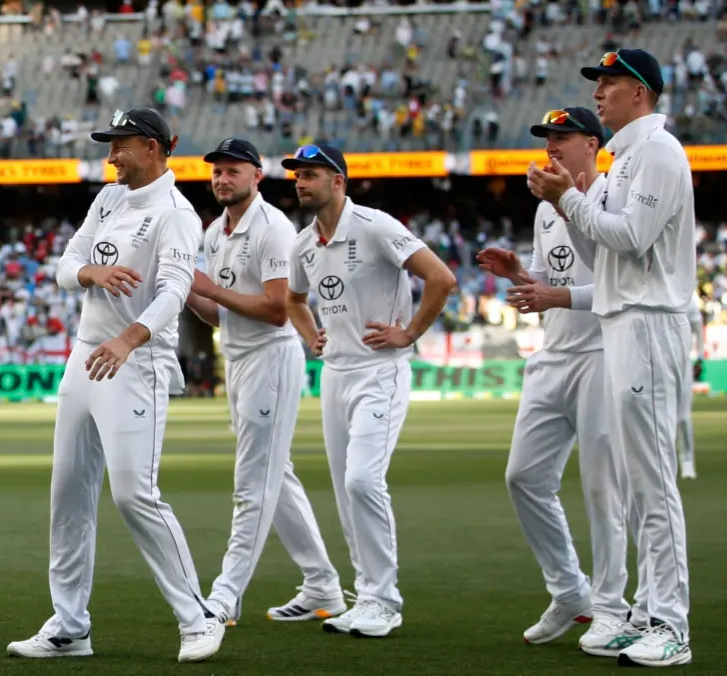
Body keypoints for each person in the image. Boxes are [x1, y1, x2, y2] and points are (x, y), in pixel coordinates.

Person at [5, 109, 224, 663]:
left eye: (119, 146)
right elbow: (66, 265)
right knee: (68, 494)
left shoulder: (177, 214)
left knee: (134, 494)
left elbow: (175, 290)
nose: (110, 158)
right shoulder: (108, 200)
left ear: (152, 147)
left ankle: (198, 616)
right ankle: (69, 626)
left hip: (138, 359)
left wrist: (129, 338)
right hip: (85, 355)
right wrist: (91, 273)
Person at [527, 49, 695, 668]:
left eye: (610, 82)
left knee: (652, 483)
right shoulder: (627, 158)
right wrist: (567, 202)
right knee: (637, 483)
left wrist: (568, 201)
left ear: (641, 92)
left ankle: (671, 625)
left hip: (648, 322)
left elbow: (631, 237)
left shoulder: (658, 152)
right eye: (598, 84)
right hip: (622, 321)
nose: (599, 93)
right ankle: (645, 614)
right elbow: (605, 253)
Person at [478, 107, 639, 657]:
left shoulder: (613, 197)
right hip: (553, 355)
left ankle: (612, 607)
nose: (551, 147)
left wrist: (555, 295)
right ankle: (571, 591)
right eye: (547, 139)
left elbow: (622, 284)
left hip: (601, 354)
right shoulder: (546, 208)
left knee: (602, 487)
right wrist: (519, 276)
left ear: (592, 144)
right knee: (523, 476)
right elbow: (549, 279)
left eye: (562, 138)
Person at [283, 145, 456, 638]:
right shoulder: (303, 244)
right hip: (335, 374)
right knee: (345, 490)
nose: (300, 183)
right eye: (297, 175)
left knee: (362, 480)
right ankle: (367, 596)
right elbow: (293, 299)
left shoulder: (376, 225)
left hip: (380, 372)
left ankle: (385, 601)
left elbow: (441, 278)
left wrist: (410, 332)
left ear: (338, 181)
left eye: (310, 174)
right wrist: (310, 334)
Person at [184, 138, 346, 627]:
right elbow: (219, 314)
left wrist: (211, 288)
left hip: (271, 361)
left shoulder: (272, 227)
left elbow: (278, 310)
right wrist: (185, 287)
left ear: (257, 175)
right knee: (277, 475)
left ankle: (225, 596)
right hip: (238, 361)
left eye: (233, 171)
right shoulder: (215, 232)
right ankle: (322, 584)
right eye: (217, 171)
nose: (222, 179)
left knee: (253, 482)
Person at [678, 301, 702, 480]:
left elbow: (699, 330)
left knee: (684, 417)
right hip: (659, 364)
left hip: (683, 365)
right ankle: (664, 461)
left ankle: (687, 463)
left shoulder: (689, 303)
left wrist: (700, 357)